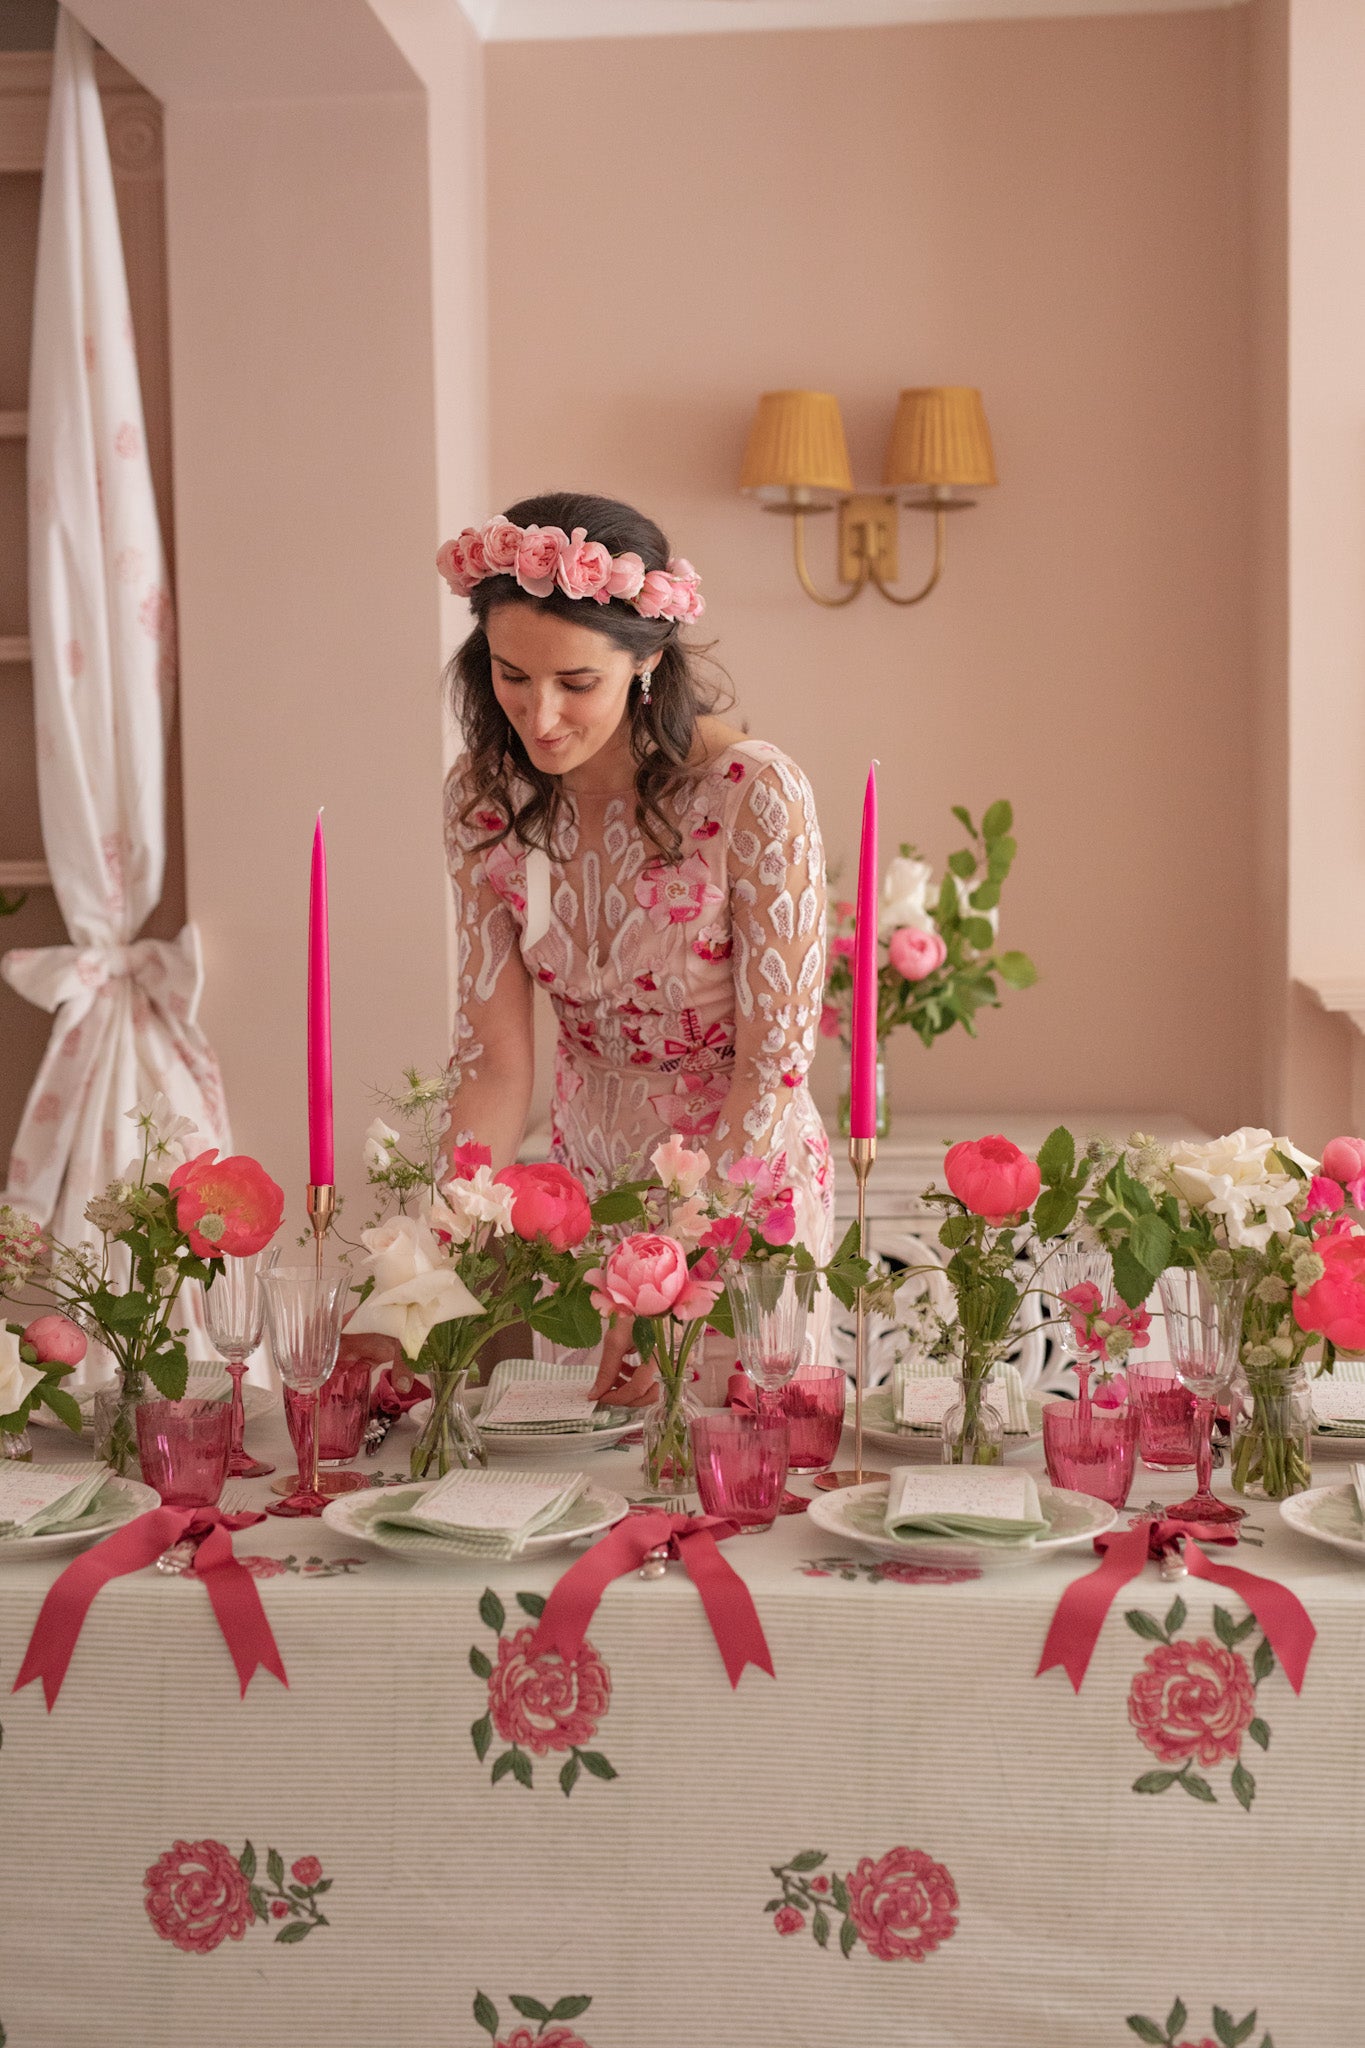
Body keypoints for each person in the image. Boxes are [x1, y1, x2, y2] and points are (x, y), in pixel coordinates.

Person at [438, 491, 833, 1404]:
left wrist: (667, 1273)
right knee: (585, 1482)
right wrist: (430, 1252)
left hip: (742, 1187)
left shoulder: (750, 794)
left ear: (646, 667)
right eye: (511, 676)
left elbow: (769, 1068)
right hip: (581, 1190)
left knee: (737, 1477)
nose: (539, 718)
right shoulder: (483, 798)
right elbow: (495, 1065)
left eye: (577, 684)